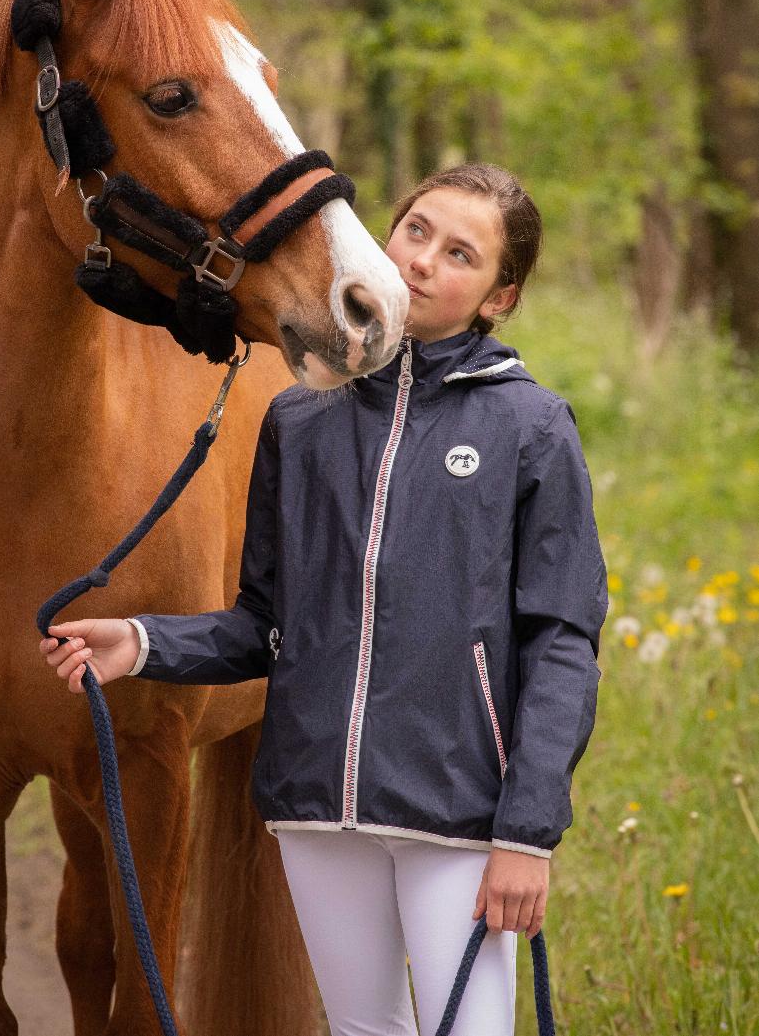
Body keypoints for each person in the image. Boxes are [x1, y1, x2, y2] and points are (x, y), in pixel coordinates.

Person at [41, 163, 608, 1036]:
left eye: (459, 253)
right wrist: (142, 642)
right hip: (315, 809)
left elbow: (562, 642)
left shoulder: (529, 427)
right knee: (361, 1031)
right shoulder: (299, 421)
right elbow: (262, 627)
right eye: (415, 231)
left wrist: (526, 834)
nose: (422, 261)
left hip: (457, 819)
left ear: (499, 297)